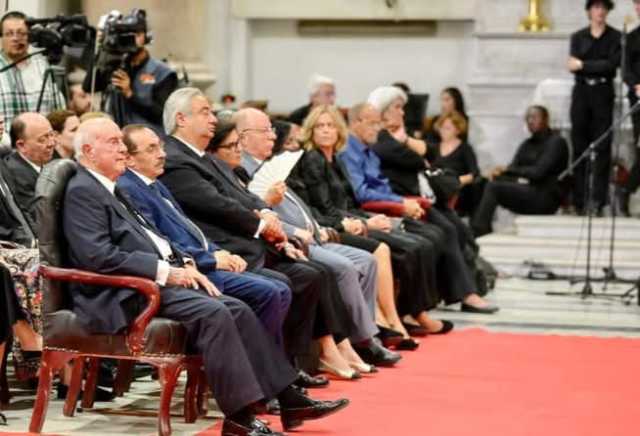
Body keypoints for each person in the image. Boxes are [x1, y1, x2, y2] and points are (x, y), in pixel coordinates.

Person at [65, 117, 348, 435]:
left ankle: (285, 397)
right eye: (113, 142)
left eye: (121, 141)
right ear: (88, 151)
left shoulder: (112, 186)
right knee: (216, 312)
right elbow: (97, 256)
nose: (122, 149)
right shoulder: (83, 191)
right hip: (123, 292)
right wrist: (167, 271)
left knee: (236, 308)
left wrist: (185, 263)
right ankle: (240, 417)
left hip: (155, 279)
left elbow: (156, 238)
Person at [159, 88, 339, 385]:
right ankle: (273, 375)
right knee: (288, 282)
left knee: (304, 276)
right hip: (222, 247)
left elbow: (240, 194)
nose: (213, 118)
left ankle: (283, 370)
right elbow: (217, 205)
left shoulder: (202, 156)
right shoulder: (177, 159)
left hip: (238, 244)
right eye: (205, 112)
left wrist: (265, 212)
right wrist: (262, 226)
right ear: (181, 119)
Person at [233, 108, 401, 369]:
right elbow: (258, 215)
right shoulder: (245, 170)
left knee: (368, 259)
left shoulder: (272, 164)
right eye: (265, 131)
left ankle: (368, 333)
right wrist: (296, 230)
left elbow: (311, 206)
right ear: (243, 137)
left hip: (315, 231)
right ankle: (360, 341)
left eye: (272, 130)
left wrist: (318, 226)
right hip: (288, 241)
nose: (273, 136)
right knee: (341, 267)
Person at [117, 124, 292, 346]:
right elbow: (160, 241)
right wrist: (210, 259)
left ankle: (267, 361)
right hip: (189, 268)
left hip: (202, 258)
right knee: (268, 292)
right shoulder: (130, 188)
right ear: (130, 159)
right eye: (151, 149)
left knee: (280, 288)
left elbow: (190, 228)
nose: (162, 154)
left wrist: (220, 252)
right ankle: (263, 363)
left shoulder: (154, 184)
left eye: (160, 147)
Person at [296, 104, 453, 339]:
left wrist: (367, 219)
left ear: (339, 129)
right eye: (320, 126)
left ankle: (407, 315)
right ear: (311, 131)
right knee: (394, 248)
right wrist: (365, 223)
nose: (326, 130)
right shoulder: (313, 160)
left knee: (419, 241)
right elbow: (324, 208)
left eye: (330, 125)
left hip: (352, 218)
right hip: (334, 227)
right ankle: (392, 320)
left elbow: (349, 203)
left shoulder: (335, 159)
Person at [340, 102, 498, 314]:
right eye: (373, 123)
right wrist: (400, 203)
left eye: (379, 123)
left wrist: (402, 201)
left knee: (446, 232)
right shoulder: (350, 151)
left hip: (396, 202)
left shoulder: (369, 150)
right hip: (371, 211)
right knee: (430, 238)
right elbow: (361, 193)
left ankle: (436, 303)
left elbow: (424, 159)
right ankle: (417, 310)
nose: (379, 128)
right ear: (356, 122)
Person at [471, 106, 569, 236]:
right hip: (527, 192)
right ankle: (482, 228)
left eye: (534, 117)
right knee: (486, 181)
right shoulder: (527, 144)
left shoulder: (557, 142)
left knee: (494, 187)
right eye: (527, 118)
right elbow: (513, 169)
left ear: (545, 119)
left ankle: (478, 230)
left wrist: (508, 170)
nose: (530, 121)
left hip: (546, 197)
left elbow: (537, 173)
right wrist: (498, 173)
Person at [84, 9, 178, 133]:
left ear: (147, 36)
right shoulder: (115, 65)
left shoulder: (162, 72)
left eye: (137, 34)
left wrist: (130, 95)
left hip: (150, 137)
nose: (132, 39)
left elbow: (163, 114)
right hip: (117, 135)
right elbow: (88, 87)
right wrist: (101, 50)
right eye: (127, 35)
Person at [568, 0, 620, 215]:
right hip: (582, 92)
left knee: (602, 146)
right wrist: (589, 66)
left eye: (603, 8)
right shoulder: (578, 37)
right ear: (589, 11)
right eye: (596, 7)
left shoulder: (615, 37)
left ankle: (598, 200)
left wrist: (584, 65)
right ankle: (579, 200)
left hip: (603, 92)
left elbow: (611, 65)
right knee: (579, 144)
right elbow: (572, 65)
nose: (600, 12)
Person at [0, 11, 65, 126]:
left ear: (29, 36)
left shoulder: (42, 65)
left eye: (21, 33)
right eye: (9, 34)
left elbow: (59, 111)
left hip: (42, 136)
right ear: (2, 38)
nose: (16, 38)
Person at [427, 111, 484, 217]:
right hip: (436, 187)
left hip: (457, 190)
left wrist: (456, 182)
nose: (443, 131)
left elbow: (474, 173)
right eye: (442, 127)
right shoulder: (433, 148)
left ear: (457, 130)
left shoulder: (465, 149)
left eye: (448, 128)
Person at [3, 112, 55, 227]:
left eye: (51, 135)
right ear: (21, 145)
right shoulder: (16, 174)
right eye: (42, 139)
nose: (51, 143)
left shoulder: (46, 163)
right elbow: (39, 216)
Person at [620, 0, 640, 215]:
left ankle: (625, 190)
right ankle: (625, 190)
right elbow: (626, 70)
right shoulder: (631, 38)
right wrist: (637, 85)